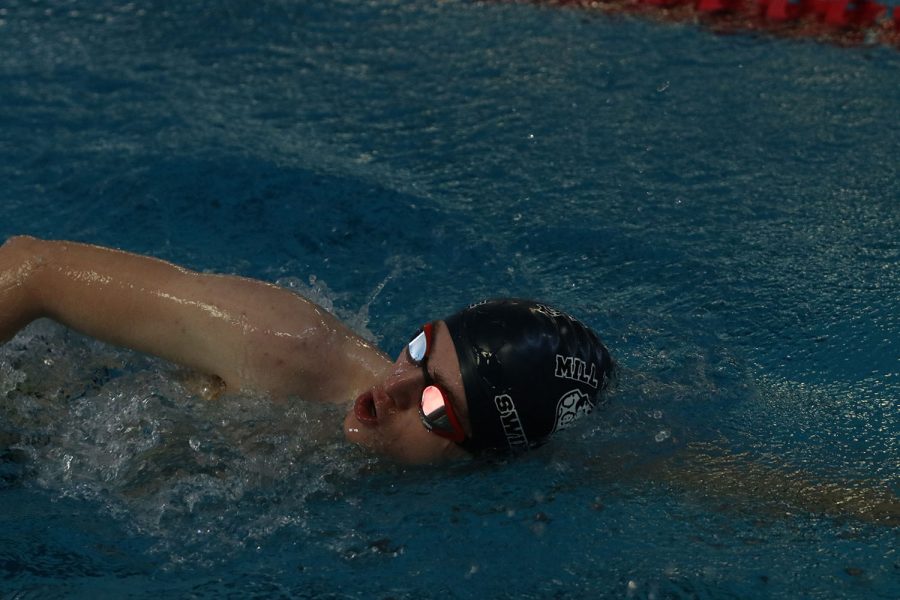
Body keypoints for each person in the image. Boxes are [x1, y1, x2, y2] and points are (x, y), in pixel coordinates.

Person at [0, 236, 615, 464]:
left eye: (435, 406)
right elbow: (33, 269)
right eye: (416, 349)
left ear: (484, 460)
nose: (393, 388)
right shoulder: (282, 347)